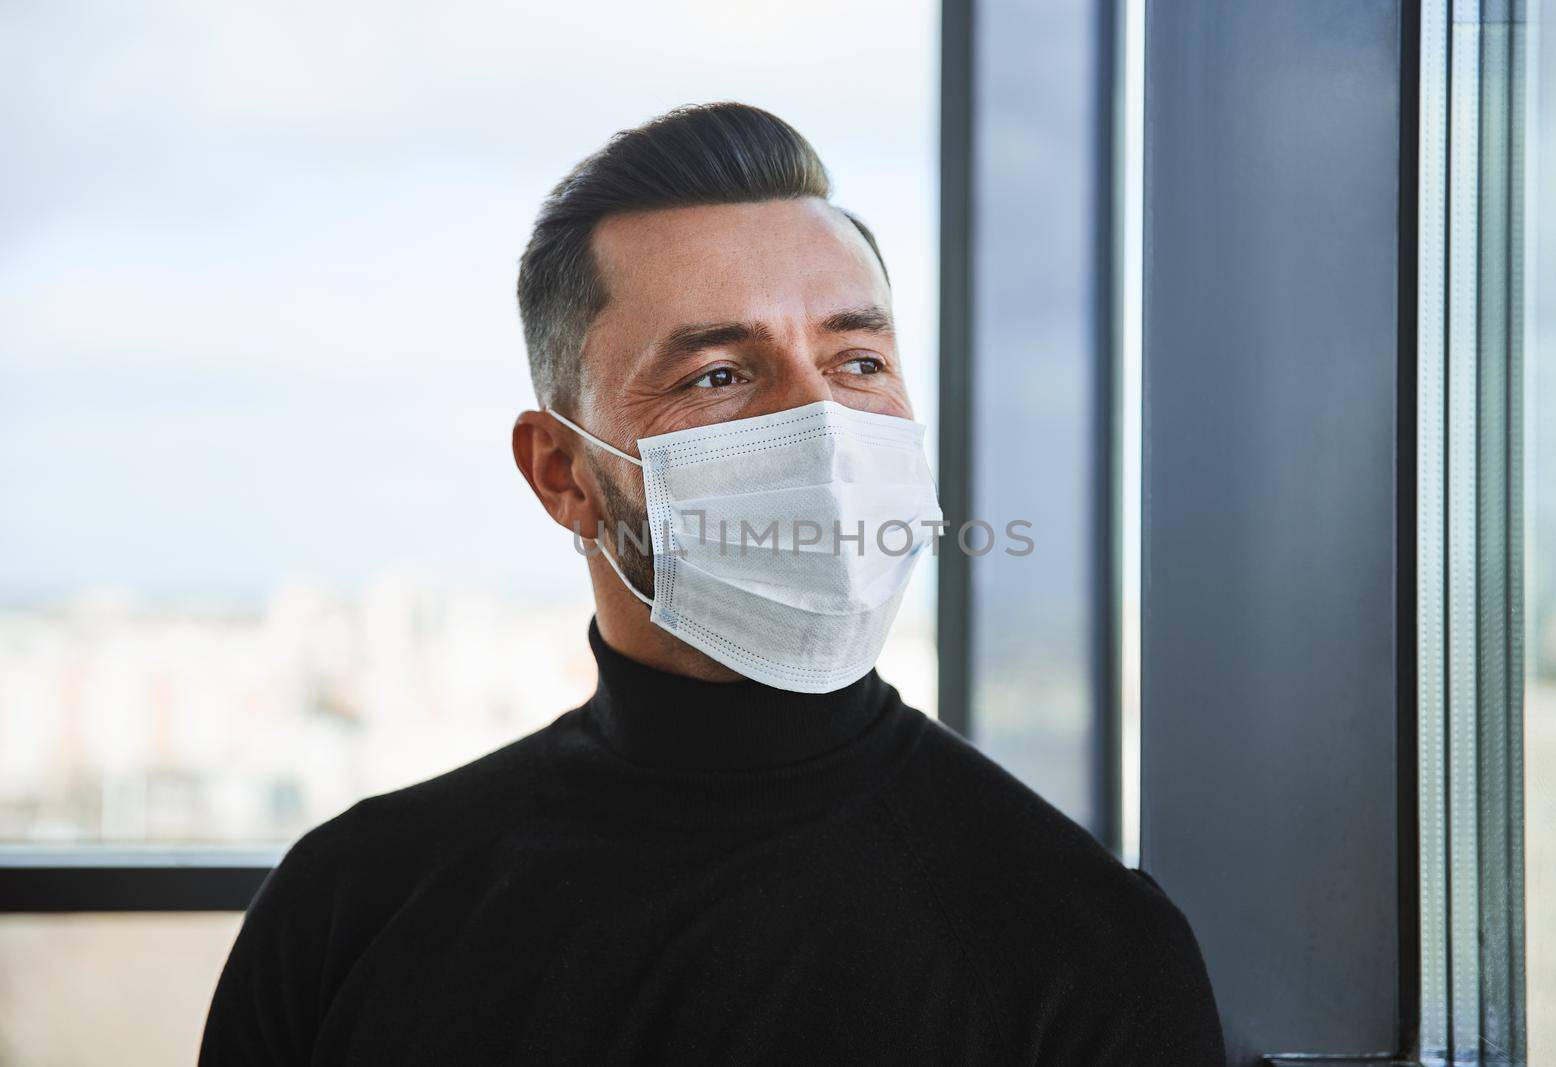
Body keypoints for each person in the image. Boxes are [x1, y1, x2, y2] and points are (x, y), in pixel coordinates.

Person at [200, 102, 1223, 1065]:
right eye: (718, 375)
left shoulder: (1082, 939)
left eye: (858, 360)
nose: (820, 428)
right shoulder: (351, 904)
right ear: (561, 472)